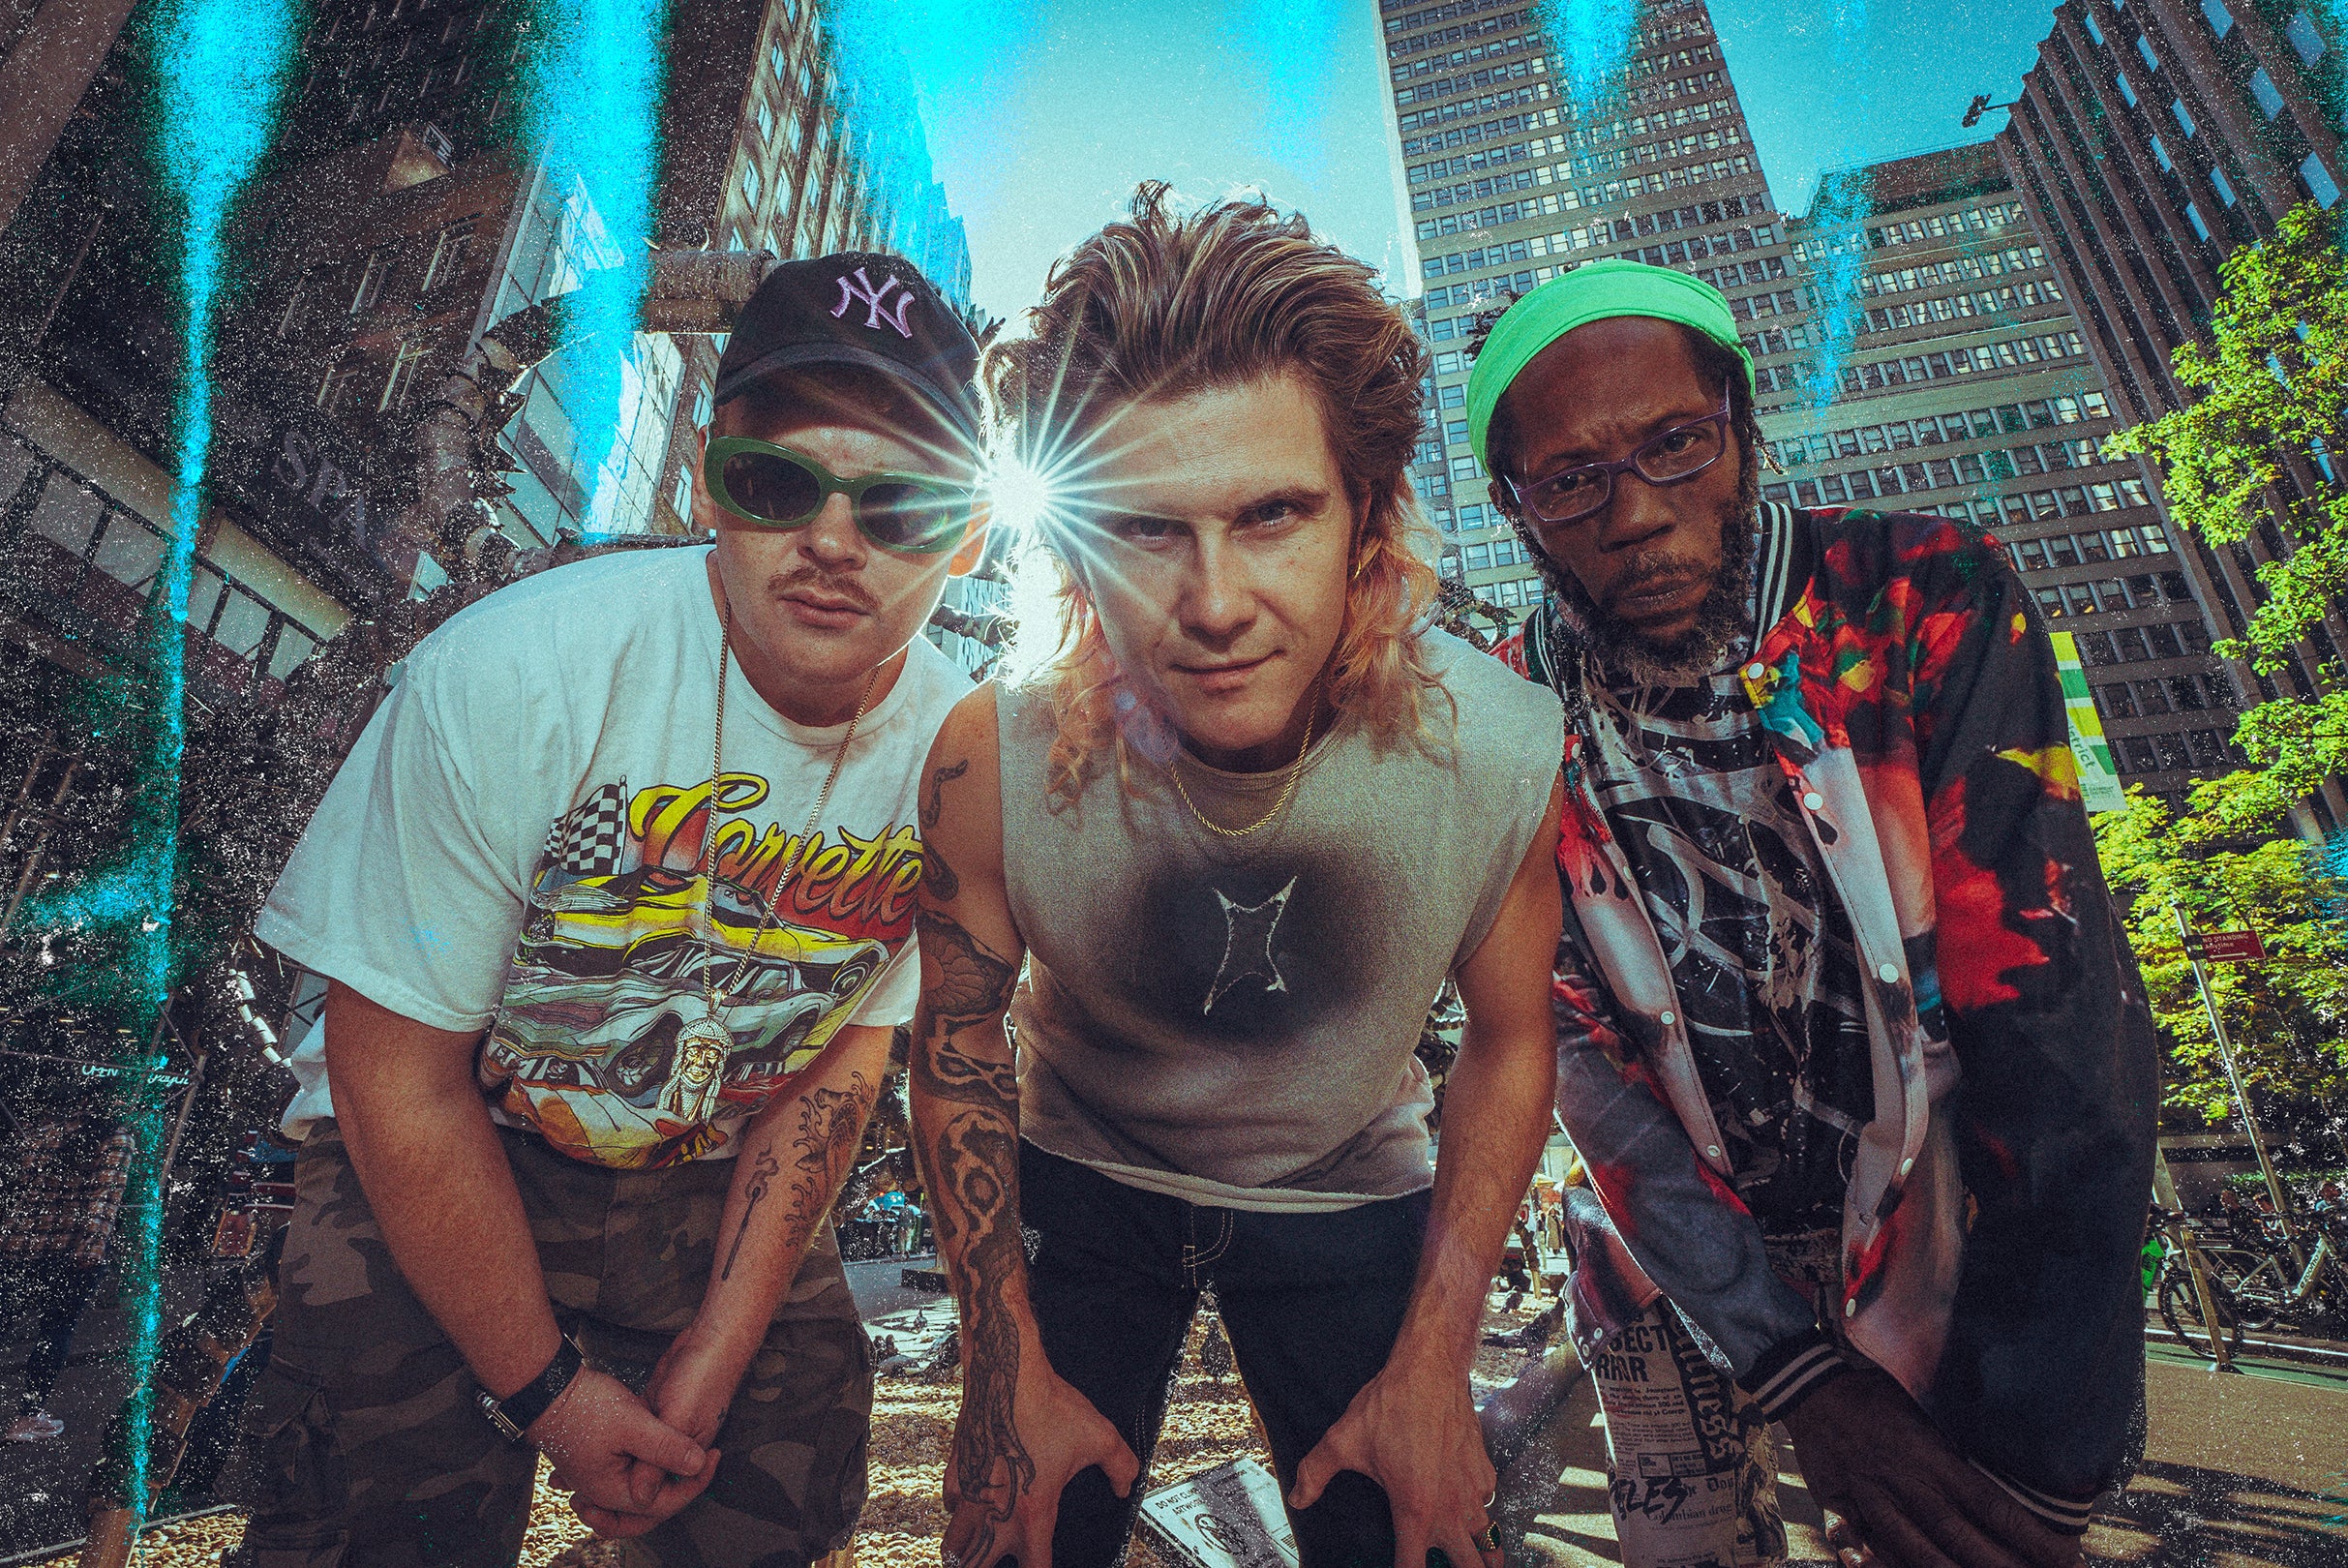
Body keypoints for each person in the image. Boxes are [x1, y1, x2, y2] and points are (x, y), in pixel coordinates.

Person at [239, 253, 990, 1564]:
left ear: (969, 538)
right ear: (707, 482)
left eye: (901, 506)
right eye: (777, 482)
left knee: (776, 1506)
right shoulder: (515, 671)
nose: (832, 541)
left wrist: (715, 1350)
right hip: (453, 1132)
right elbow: (394, 1075)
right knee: (380, 1526)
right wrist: (553, 1397)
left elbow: (839, 1066)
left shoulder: (964, 764)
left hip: (713, 1165)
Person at [908, 185, 1567, 1568]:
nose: (1212, 603)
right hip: (1077, 1169)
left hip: (1349, 1177)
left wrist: (1435, 1363)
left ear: (1364, 515)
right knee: (1013, 1536)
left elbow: (1510, 1042)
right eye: (1144, 528)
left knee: (1418, 1538)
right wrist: (998, 1364)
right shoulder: (990, 756)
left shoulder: (1496, 748)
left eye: (1271, 514)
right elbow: (957, 1039)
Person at [1472, 260, 2158, 1568]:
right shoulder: (1503, 720)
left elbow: (2048, 1012)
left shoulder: (1919, 593)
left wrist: (2039, 1446)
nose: (1635, 514)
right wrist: (1796, 1374)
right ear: (1515, 508)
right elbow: (1578, 1066)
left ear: (1736, 423)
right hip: (1661, 1257)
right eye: (1569, 481)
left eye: (1674, 444)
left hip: (1940, 1232)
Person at [1, 1100, 135, 1443]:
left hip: (19, 1246)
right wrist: (91, 1254)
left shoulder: (47, 1131)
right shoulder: (116, 1138)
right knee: (55, 1333)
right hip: (68, 1255)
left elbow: (21, 1186)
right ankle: (27, 1417)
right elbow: (103, 1203)